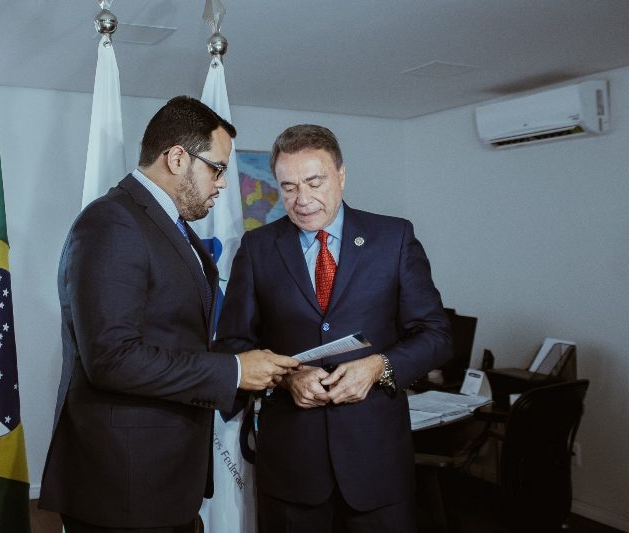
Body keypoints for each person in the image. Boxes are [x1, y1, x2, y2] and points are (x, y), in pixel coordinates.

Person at [38, 96, 298, 532]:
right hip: (123, 485)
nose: (222, 184)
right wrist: (234, 371)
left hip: (163, 480)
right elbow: (112, 359)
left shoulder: (170, 228)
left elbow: (176, 337)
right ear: (177, 158)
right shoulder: (113, 222)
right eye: (217, 168)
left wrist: (255, 368)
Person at [216, 124, 453, 532]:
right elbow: (232, 344)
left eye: (314, 182)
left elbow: (437, 335)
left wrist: (378, 367)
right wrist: (287, 378)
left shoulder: (394, 238)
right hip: (291, 469)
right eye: (289, 187)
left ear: (341, 176)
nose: (302, 199)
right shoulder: (257, 249)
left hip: (377, 466)